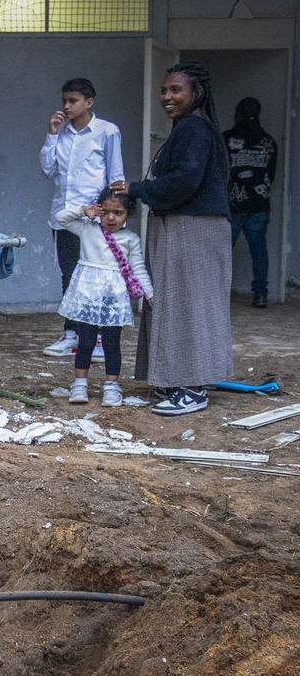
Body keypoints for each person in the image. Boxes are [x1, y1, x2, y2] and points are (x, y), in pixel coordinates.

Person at [111, 61, 232, 416]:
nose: (166, 96)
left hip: (195, 228)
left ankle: (193, 388)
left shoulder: (194, 128)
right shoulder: (190, 128)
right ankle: (177, 377)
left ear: (197, 93)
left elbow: (184, 181)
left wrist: (138, 188)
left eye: (175, 90)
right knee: (177, 303)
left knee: (191, 305)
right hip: (184, 226)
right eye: (164, 90)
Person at [39, 77, 125, 360]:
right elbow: (48, 171)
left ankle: (98, 337)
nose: (67, 106)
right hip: (64, 217)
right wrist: (52, 134)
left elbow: (115, 177)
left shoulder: (107, 132)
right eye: (64, 100)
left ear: (89, 102)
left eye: (73, 101)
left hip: (94, 218)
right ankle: (73, 333)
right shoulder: (60, 132)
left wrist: (112, 215)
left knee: (96, 275)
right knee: (70, 274)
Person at [55, 190, 153, 407]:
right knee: (86, 341)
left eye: (118, 213)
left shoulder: (130, 239)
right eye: (105, 212)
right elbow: (60, 218)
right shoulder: (87, 228)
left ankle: (112, 386)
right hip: (87, 295)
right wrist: (83, 210)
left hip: (113, 298)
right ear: (98, 210)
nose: (111, 218)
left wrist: (150, 293)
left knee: (111, 343)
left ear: (128, 214)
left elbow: (138, 268)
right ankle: (80, 383)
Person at [223, 97, 278, 308]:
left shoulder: (226, 139)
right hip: (259, 203)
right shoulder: (269, 142)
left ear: (237, 113)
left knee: (223, 252)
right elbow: (270, 175)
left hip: (232, 203)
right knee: (259, 251)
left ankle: (218, 293)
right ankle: (260, 294)